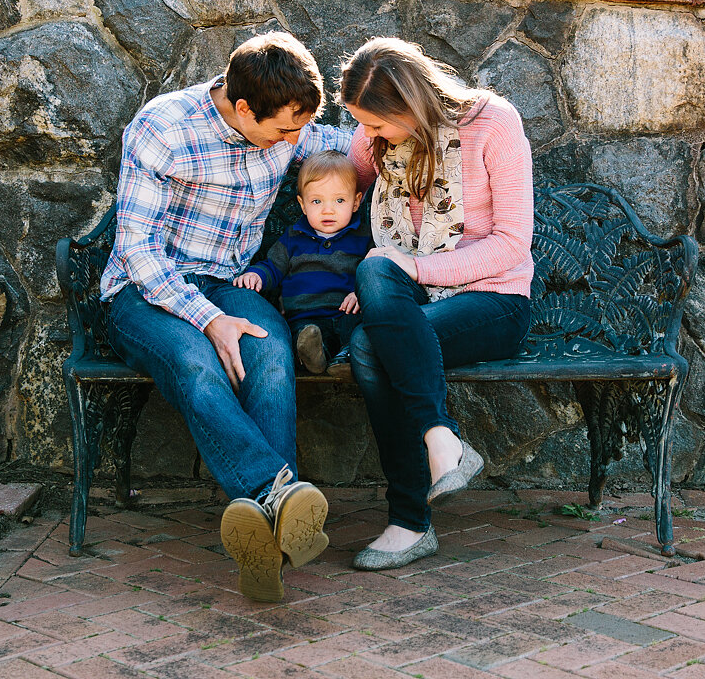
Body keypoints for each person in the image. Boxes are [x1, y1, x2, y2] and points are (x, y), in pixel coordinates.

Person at [99, 32, 351, 602]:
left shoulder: (286, 117)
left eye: (299, 128)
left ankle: (264, 546)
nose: (294, 141)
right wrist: (207, 319)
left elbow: (346, 139)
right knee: (198, 365)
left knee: (271, 354)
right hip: (146, 292)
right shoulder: (164, 129)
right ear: (242, 109)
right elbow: (138, 250)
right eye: (285, 131)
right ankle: (278, 495)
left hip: (231, 281)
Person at [339, 37, 534, 570]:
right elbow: (341, 182)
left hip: (492, 300)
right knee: (377, 265)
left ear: (408, 106)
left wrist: (418, 267)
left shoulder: (493, 123)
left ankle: (409, 519)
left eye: (377, 125)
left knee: (370, 345)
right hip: (408, 300)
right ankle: (441, 439)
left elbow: (514, 242)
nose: (368, 137)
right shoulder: (375, 140)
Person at [234, 150, 370, 375]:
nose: (328, 209)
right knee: (305, 335)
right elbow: (273, 266)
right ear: (303, 204)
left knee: (358, 329)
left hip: (347, 313)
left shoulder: (363, 238)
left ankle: (346, 357)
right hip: (306, 315)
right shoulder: (293, 238)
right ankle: (314, 357)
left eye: (339, 200)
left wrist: (361, 292)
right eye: (316, 201)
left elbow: (372, 272)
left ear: (356, 202)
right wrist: (256, 275)